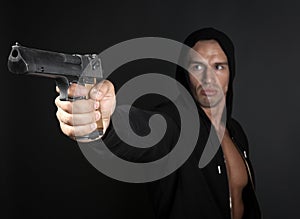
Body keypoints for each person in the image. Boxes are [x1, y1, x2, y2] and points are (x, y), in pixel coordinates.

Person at [55, 28, 261, 219]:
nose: (208, 78)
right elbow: (143, 129)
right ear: (185, 74)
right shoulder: (176, 123)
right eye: (197, 66)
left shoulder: (236, 132)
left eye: (218, 67)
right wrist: (106, 121)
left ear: (230, 73)